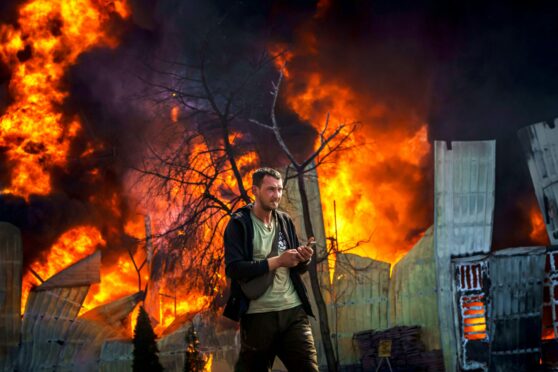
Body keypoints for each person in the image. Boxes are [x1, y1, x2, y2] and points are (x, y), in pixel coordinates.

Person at [223, 167, 319, 371]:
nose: (276, 195)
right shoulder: (239, 224)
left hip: (293, 312)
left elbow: (295, 269)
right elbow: (234, 269)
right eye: (270, 190)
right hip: (258, 317)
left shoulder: (284, 221)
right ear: (255, 190)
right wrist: (278, 261)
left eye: (279, 189)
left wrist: (302, 259)